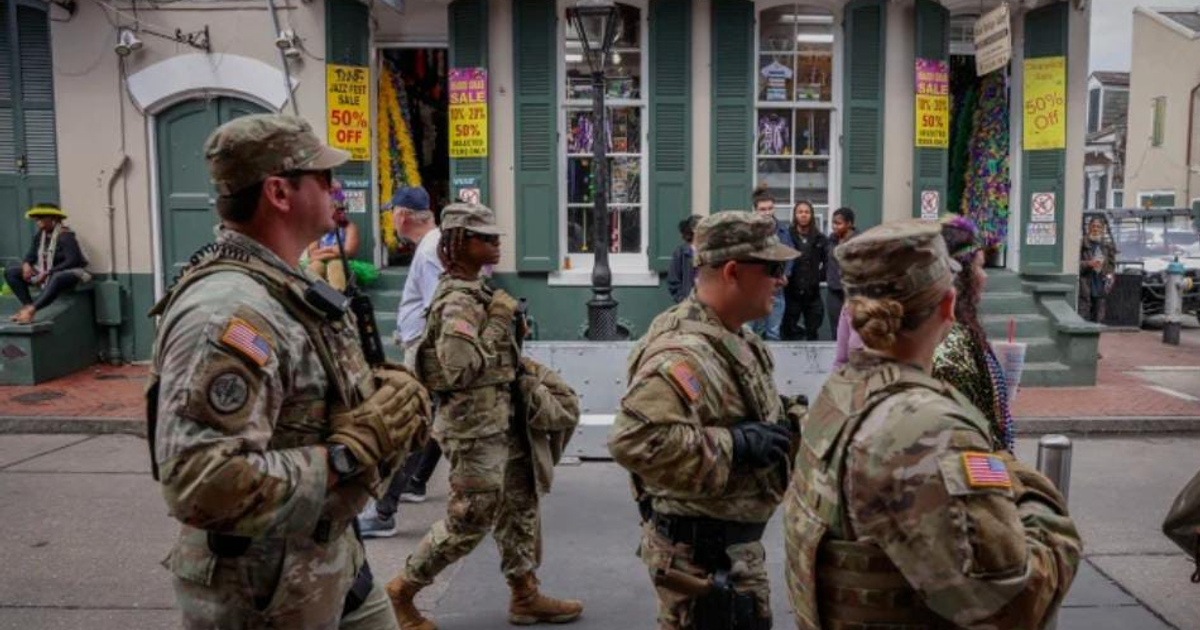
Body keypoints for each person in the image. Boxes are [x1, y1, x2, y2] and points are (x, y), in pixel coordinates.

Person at [146, 114, 431, 630]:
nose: (335, 189)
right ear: (279, 192)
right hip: (263, 590)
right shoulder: (230, 312)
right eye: (323, 178)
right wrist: (346, 456)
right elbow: (199, 481)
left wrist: (379, 394)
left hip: (330, 559)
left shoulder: (285, 285)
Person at [784, 220, 1081, 630]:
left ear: (852, 311)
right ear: (947, 305)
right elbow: (1013, 603)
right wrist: (1032, 493)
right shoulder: (929, 430)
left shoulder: (838, 396)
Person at [386, 203, 584, 630]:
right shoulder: (459, 298)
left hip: (501, 418)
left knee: (519, 504)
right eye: (485, 238)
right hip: (474, 429)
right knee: (471, 516)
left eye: (496, 237)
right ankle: (402, 591)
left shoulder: (476, 291)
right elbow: (459, 369)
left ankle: (525, 595)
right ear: (458, 243)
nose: (496, 244)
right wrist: (497, 321)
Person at [609, 211, 805, 630]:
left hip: (729, 550)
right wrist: (735, 445)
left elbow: (734, 404)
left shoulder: (733, 334)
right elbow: (634, 439)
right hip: (703, 560)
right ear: (733, 271)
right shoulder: (685, 352)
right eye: (773, 269)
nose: (782, 279)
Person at [358, 186, 444, 538]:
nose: (390, 217)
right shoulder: (434, 245)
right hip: (430, 348)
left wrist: (429, 356)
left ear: (403, 216)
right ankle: (417, 482)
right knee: (437, 418)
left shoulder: (428, 253)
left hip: (426, 349)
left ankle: (382, 511)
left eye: (392, 211)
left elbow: (438, 308)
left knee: (411, 424)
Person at [933, 215, 1015, 452]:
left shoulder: (959, 332)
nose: (985, 276)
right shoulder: (951, 346)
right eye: (980, 266)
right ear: (960, 277)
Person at [4, 204, 90, 324]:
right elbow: (32, 254)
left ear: (53, 219)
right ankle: (27, 308)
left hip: (69, 273)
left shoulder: (65, 236)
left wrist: (49, 272)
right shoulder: (40, 235)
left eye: (41, 218)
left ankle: (31, 311)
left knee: (57, 277)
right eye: (36, 219)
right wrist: (26, 265)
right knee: (11, 272)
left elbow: (73, 260)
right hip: (45, 272)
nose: (37, 221)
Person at [749, 189, 795, 341]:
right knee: (749, 333)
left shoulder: (783, 229)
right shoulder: (748, 230)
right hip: (752, 289)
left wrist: (786, 274)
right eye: (763, 209)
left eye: (770, 208)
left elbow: (790, 254)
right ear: (755, 210)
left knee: (773, 333)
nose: (767, 212)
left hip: (776, 288)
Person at [782, 200, 826, 340]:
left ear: (812, 215)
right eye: (800, 212)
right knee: (789, 331)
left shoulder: (820, 238)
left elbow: (828, 262)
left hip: (812, 293)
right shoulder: (787, 237)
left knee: (813, 330)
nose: (803, 215)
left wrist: (818, 277)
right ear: (795, 215)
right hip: (791, 292)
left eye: (807, 212)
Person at [306, 180, 360, 292]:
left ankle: (339, 302)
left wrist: (325, 251)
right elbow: (312, 254)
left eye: (344, 209)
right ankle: (315, 299)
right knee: (315, 267)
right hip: (321, 260)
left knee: (335, 265)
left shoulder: (349, 227)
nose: (343, 213)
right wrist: (333, 251)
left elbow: (348, 252)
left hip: (342, 262)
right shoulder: (318, 226)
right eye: (339, 210)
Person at [824, 207, 855, 339]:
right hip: (833, 290)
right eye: (833, 222)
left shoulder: (859, 241)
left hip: (852, 292)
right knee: (836, 330)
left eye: (838, 223)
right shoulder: (831, 240)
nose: (834, 226)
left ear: (849, 224)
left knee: (853, 329)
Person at [1079, 216, 1116, 323]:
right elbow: (1073, 264)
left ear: (1103, 229)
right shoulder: (1082, 244)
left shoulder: (1107, 245)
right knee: (1085, 308)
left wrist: (1110, 275)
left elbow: (1112, 265)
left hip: (1101, 281)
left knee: (1099, 310)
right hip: (1086, 281)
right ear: (1089, 228)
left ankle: (1096, 331)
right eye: (1093, 226)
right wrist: (1088, 263)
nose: (1096, 229)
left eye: (1098, 227)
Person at [667, 215, 700, 303]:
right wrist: (682, 299)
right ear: (694, 229)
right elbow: (673, 281)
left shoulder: (709, 251)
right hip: (688, 303)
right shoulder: (680, 252)